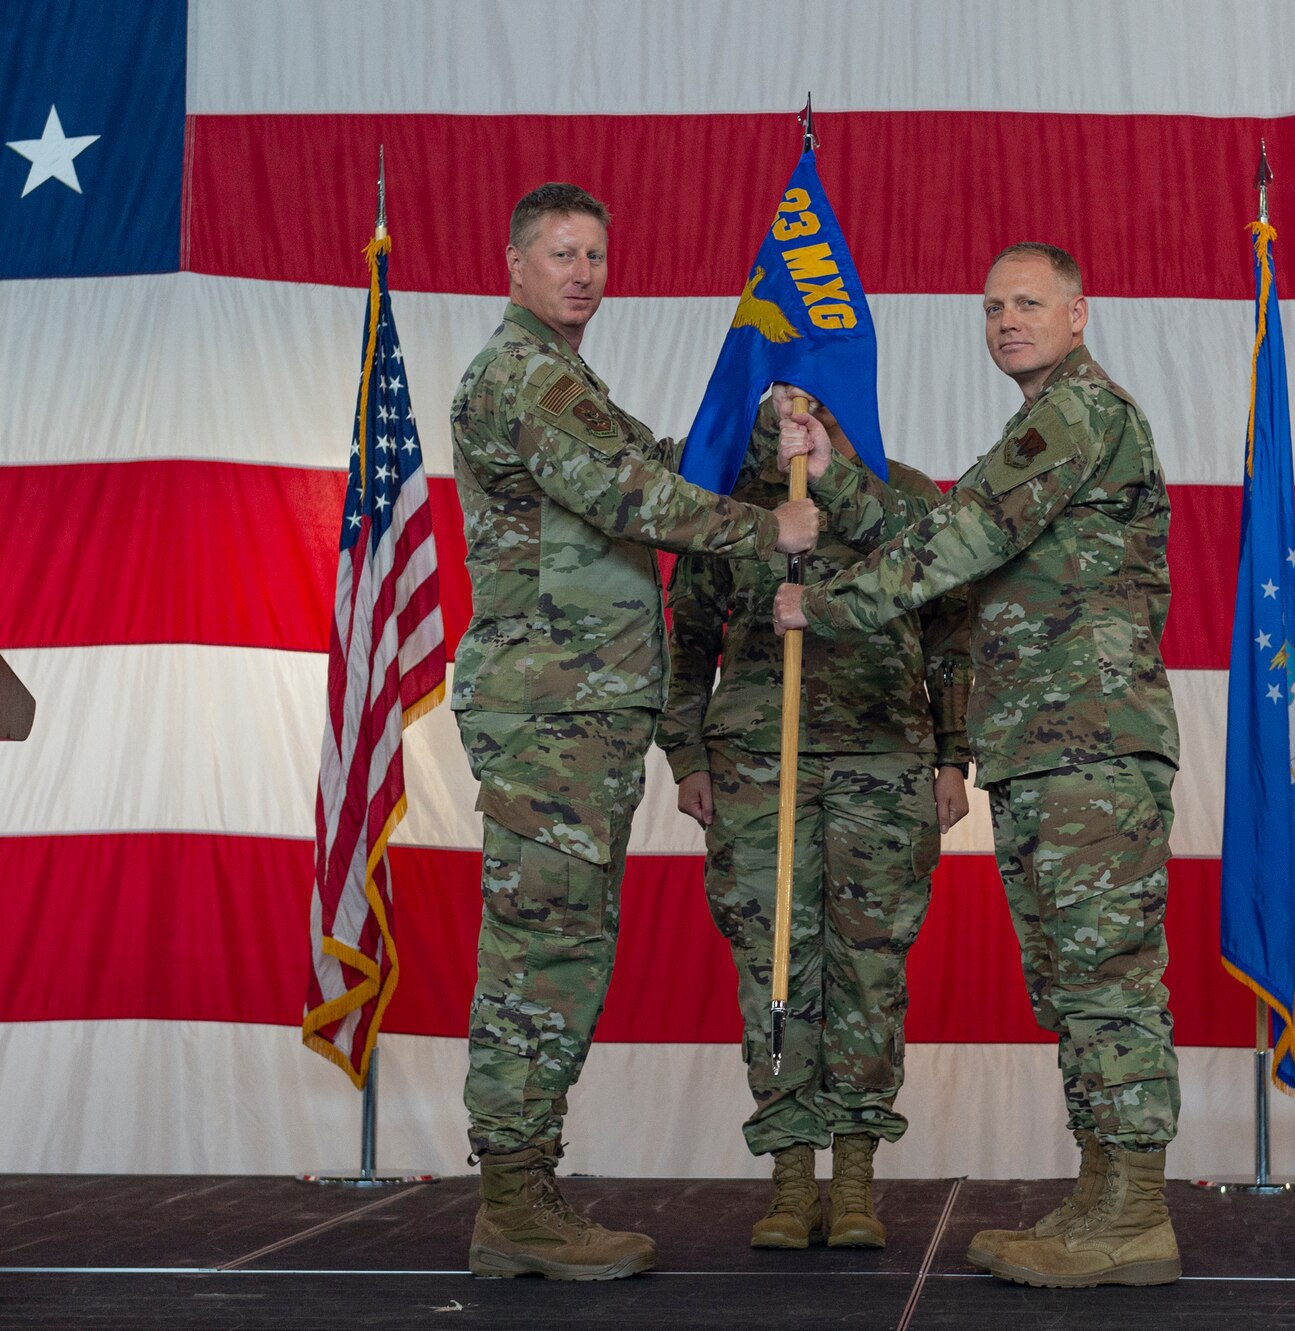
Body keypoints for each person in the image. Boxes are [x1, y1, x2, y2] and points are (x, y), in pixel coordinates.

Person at [770, 242, 1183, 1289]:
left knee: (1105, 981)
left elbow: (956, 536)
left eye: (1029, 303)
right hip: (1047, 745)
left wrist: (824, 603)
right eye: (992, 305)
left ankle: (1133, 1207)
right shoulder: (1036, 429)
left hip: (1088, 743)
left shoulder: (1080, 414)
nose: (1006, 319)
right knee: (1069, 977)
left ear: (1078, 315)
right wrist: (835, 470)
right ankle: (1103, 1193)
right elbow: (942, 527)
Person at [449, 181, 818, 1280]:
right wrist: (772, 523)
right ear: (514, 264)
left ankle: (525, 1190)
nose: (582, 271)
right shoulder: (520, 375)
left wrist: (767, 431)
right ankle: (513, 1206)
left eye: (596, 255)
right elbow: (631, 493)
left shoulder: (567, 380)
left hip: (583, 710)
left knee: (563, 947)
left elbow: (660, 456)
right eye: (560, 253)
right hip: (548, 710)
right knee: (541, 954)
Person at [660, 401, 972, 1250]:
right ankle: (793, 1182)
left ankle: (859, 1180)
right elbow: (689, 635)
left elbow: (950, 627)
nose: (796, 407)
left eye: (813, 390)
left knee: (868, 968)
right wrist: (685, 751)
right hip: (761, 763)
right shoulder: (729, 503)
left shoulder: (898, 495)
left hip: (883, 757)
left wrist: (953, 753)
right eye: (779, 391)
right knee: (775, 967)